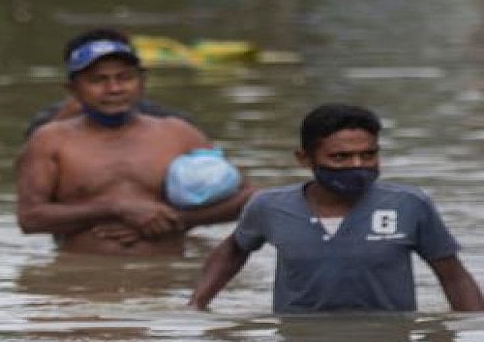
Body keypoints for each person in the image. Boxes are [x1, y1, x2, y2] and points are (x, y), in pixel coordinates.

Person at [189, 103, 484, 313]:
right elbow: (233, 250)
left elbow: (452, 273)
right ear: (304, 159)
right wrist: (197, 305)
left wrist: (473, 336)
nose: (357, 166)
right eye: (341, 157)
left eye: (368, 155)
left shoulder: (408, 205)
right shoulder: (270, 207)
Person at [16, 28, 253, 256]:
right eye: (98, 80)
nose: (114, 88)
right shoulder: (49, 139)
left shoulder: (178, 132)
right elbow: (29, 218)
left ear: (142, 81)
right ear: (73, 89)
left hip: (168, 278)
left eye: (125, 77)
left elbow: (248, 197)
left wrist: (175, 220)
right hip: (82, 281)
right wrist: (114, 208)